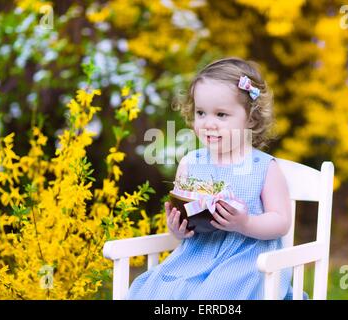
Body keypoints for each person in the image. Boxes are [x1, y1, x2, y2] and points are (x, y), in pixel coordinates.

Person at [127, 57, 305, 300]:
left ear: (250, 118)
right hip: (195, 257)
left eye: (221, 115)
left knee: (213, 296)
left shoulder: (264, 167)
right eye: (201, 113)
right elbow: (183, 218)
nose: (209, 123)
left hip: (245, 264)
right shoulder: (191, 163)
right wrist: (177, 228)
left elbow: (281, 221)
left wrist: (245, 223)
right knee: (157, 290)